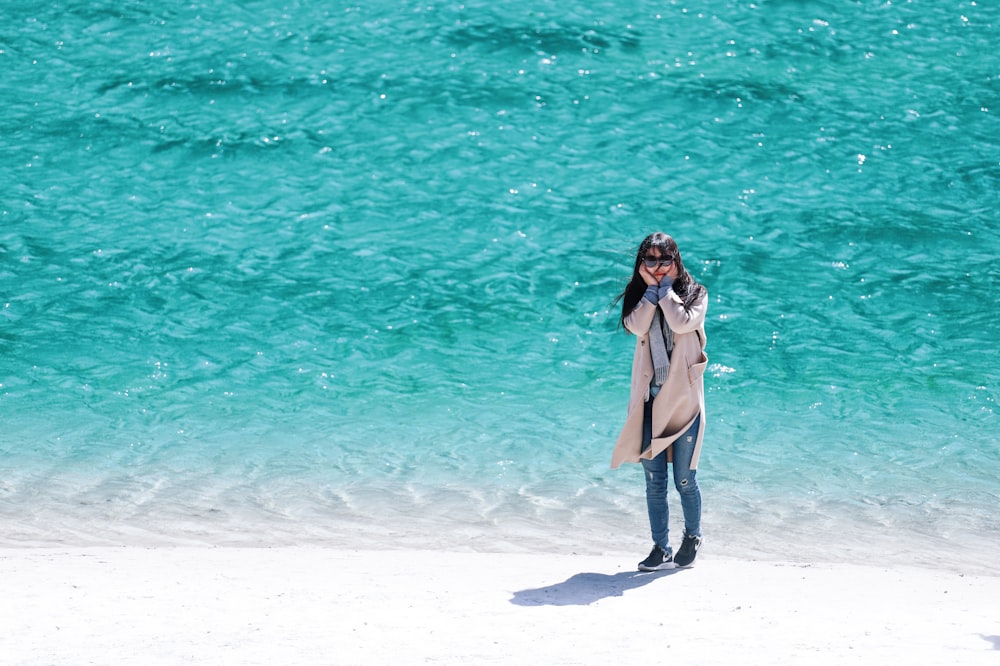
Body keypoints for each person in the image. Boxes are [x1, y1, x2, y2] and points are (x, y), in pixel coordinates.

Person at [611, 232, 709, 571]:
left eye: (664, 260)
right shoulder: (641, 299)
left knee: (684, 479)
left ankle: (693, 536)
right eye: (649, 260)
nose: (657, 266)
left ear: (676, 260)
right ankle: (660, 547)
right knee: (655, 483)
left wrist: (665, 290)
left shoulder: (696, 295)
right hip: (650, 404)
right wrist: (650, 292)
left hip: (683, 404)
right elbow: (637, 327)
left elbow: (681, 322)